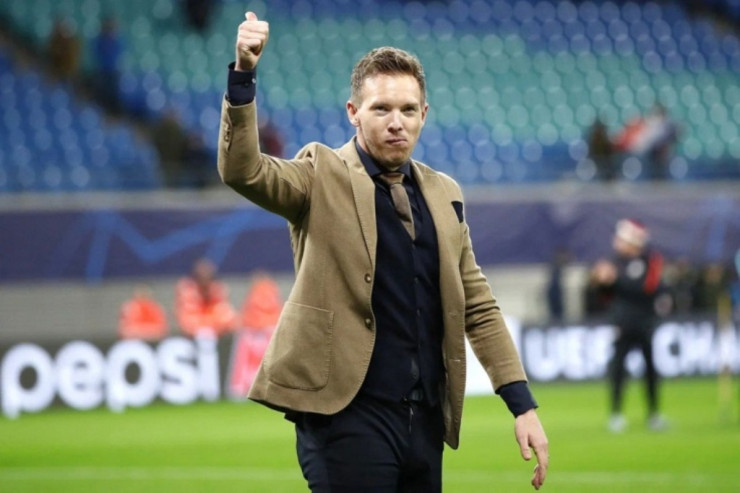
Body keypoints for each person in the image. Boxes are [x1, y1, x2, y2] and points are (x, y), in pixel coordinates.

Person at [217, 11, 548, 491]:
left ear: (424, 115)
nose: (397, 123)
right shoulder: (319, 172)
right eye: (381, 109)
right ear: (353, 112)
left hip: (425, 422)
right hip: (345, 417)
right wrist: (244, 75)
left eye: (408, 110)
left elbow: (477, 305)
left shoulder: (444, 193)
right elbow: (243, 171)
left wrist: (522, 405)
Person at [590, 218, 669, 433]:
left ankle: (654, 414)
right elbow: (604, 297)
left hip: (645, 323)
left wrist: (615, 280)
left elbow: (648, 289)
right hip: (622, 324)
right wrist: (600, 281)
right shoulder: (613, 262)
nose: (617, 242)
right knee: (618, 369)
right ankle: (616, 414)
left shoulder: (651, 261)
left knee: (650, 369)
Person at [175, 258, 237, 337]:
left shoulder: (217, 290)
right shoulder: (187, 292)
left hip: (218, 336)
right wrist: (208, 325)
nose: (204, 282)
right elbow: (187, 324)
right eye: (201, 278)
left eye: (208, 278)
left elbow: (229, 320)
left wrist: (211, 327)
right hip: (192, 338)